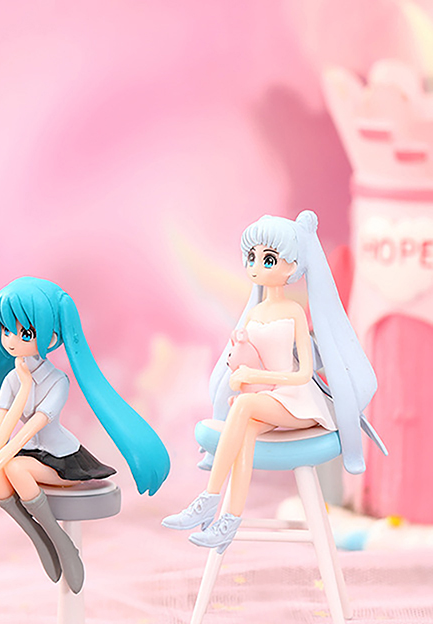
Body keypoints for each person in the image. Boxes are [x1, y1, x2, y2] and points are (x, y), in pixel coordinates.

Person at [162, 211, 380, 553]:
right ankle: (228, 520)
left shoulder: (293, 312)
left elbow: (302, 373)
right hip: (268, 399)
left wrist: (256, 378)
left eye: (268, 259)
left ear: (292, 267)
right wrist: (243, 369)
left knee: (245, 407)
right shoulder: (253, 313)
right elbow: (251, 360)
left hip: (298, 401)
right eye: (252, 258)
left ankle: (208, 498)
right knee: (245, 428)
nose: (256, 267)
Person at [0, 276, 170, 593]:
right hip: (28, 457)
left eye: (25, 333)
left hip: (63, 460)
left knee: (12, 468)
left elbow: (24, 436)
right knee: (7, 470)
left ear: (52, 336)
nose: (11, 340)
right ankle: (39, 537)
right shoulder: (11, 381)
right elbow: (1, 440)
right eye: (5, 330)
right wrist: (23, 389)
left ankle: (59, 540)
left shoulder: (57, 381)